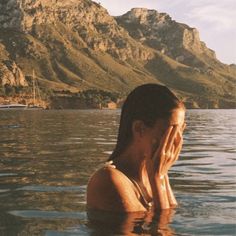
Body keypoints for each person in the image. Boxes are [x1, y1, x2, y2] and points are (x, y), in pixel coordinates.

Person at [87, 83, 186, 212]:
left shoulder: (150, 173)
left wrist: (162, 174)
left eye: (181, 130)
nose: (177, 141)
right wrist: (157, 178)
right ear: (139, 129)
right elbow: (162, 229)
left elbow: (171, 215)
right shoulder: (109, 180)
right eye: (170, 132)